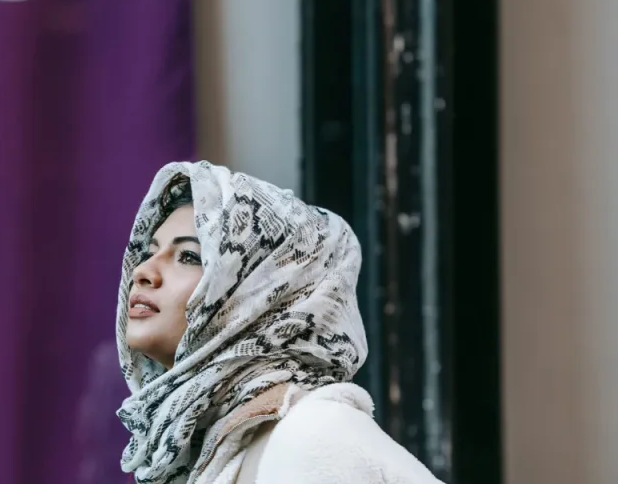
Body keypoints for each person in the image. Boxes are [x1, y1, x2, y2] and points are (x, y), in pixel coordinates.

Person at [115, 161, 444, 484]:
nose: (143, 272)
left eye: (189, 256)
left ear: (260, 294)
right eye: (149, 252)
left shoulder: (311, 436)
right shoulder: (204, 448)